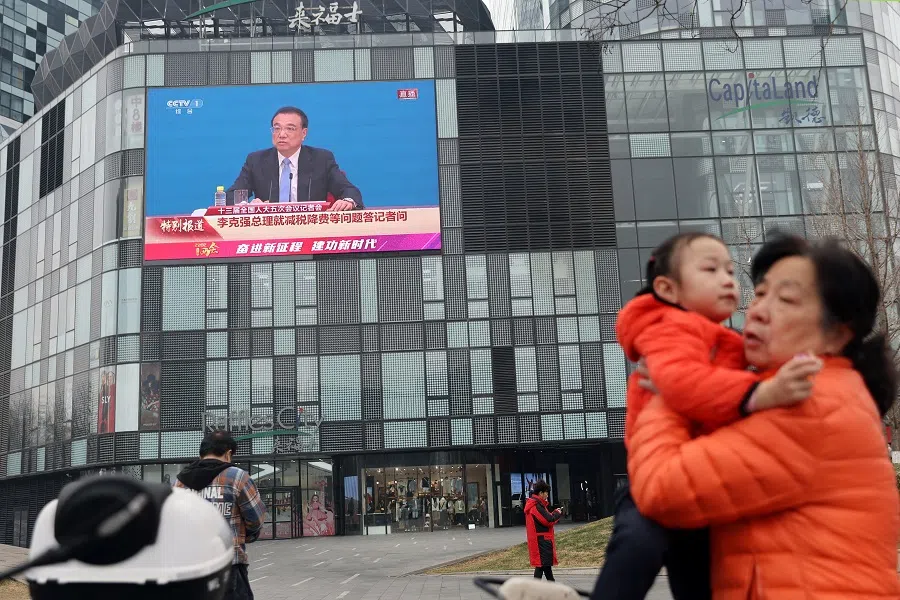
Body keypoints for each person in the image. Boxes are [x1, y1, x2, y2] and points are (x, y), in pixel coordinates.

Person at [627, 234, 900, 599]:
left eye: (785, 300)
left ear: (836, 334)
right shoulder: (795, 391)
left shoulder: (810, 403)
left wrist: (667, 396)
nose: (756, 310)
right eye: (759, 293)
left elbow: (661, 488)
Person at [592, 232, 819, 600]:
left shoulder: (722, 339)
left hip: (697, 485)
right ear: (668, 288)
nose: (727, 279)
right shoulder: (667, 326)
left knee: (701, 580)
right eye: (711, 269)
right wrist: (759, 393)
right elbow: (681, 383)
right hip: (653, 482)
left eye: (730, 270)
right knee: (637, 549)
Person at [174, 430, 267, 600]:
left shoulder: (181, 481)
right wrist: (245, 536)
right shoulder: (237, 477)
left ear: (202, 453)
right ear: (228, 453)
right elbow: (256, 519)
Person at [227, 106, 362, 210]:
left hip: (310, 228)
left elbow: (349, 190)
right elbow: (232, 195)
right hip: (267, 231)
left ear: (304, 133)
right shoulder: (256, 160)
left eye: (290, 129)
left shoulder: (321, 159)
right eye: (277, 128)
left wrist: (347, 201)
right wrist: (247, 205)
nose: (282, 134)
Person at [525, 480, 563, 581]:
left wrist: (554, 514)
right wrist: (557, 512)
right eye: (546, 492)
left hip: (541, 541)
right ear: (540, 493)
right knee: (542, 566)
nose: (547, 495)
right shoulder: (536, 506)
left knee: (545, 566)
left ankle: (550, 589)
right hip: (541, 542)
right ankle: (537, 591)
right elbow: (548, 520)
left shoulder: (537, 505)